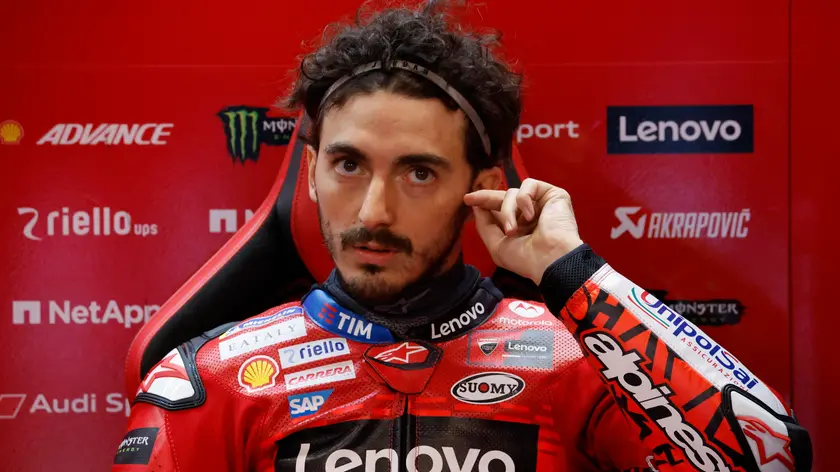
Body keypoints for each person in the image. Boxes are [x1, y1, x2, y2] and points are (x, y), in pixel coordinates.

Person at [112, 1, 811, 471]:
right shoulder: (212, 378)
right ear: (313, 172)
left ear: (481, 182)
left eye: (419, 172)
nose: (373, 213)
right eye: (349, 164)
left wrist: (572, 273)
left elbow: (770, 454)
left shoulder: (571, 361)